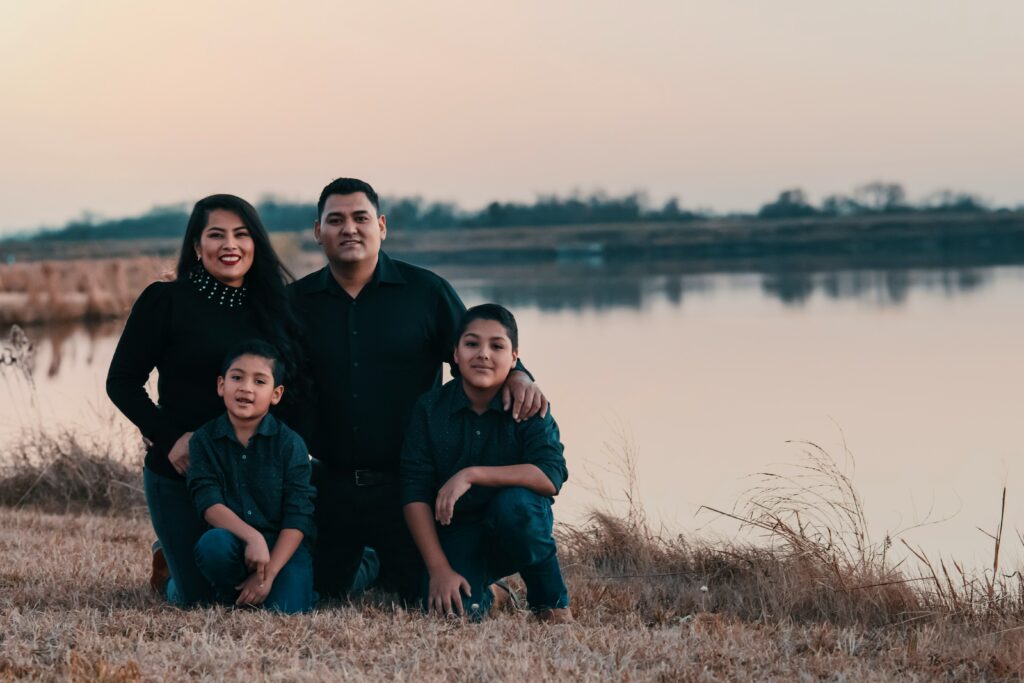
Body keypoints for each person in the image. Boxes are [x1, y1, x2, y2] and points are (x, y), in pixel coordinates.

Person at [289, 178, 549, 602]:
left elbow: (477, 351)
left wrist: (519, 373)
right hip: (331, 484)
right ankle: (371, 563)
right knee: (316, 593)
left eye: (361, 218)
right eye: (335, 220)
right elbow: (261, 374)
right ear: (318, 231)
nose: (349, 229)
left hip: (409, 487)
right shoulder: (295, 303)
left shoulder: (426, 292)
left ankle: (483, 586)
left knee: (441, 599)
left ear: (382, 226)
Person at [106, 195, 303, 606]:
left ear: (256, 244)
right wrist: (170, 437)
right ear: (197, 246)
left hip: (258, 476)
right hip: (181, 469)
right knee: (197, 600)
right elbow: (122, 381)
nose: (230, 245)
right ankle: (169, 562)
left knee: (274, 595)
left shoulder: (276, 305)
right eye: (216, 235)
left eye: (241, 234)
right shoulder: (166, 301)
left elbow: (294, 390)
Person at [400, 304, 572, 622]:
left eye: (496, 346)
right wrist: (439, 569)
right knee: (453, 615)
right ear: (455, 353)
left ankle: (551, 603)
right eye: (471, 344)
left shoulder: (530, 403)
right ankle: (490, 589)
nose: (483, 354)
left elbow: (551, 475)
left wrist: (472, 475)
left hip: (514, 524)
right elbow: (414, 490)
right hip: (456, 531)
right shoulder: (429, 409)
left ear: (515, 358)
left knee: (518, 506)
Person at [187, 340, 315, 614]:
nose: (246, 387)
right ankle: (223, 590)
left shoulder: (290, 444)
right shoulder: (203, 440)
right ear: (222, 385)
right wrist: (253, 538)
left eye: (259, 381)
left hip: (280, 547)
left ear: (276, 394)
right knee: (213, 547)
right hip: (233, 543)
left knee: (288, 611)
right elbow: (208, 502)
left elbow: (298, 514)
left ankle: (365, 565)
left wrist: (267, 574)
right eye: (237, 377)